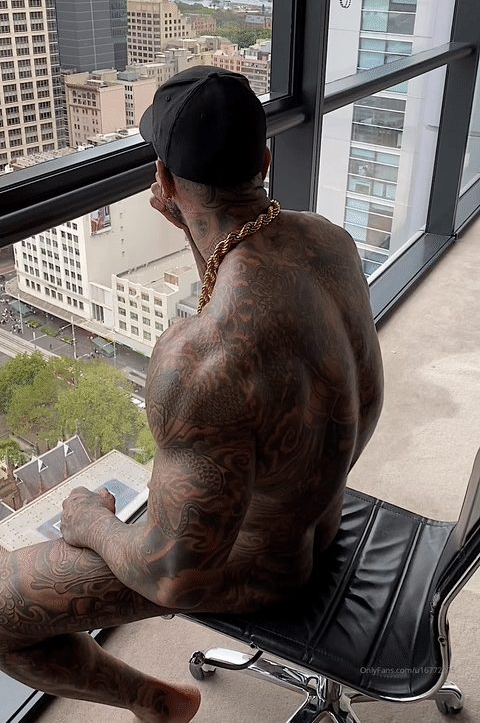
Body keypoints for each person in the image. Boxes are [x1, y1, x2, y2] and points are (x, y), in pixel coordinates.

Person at [0, 67, 383, 722]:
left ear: (165, 182)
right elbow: (251, 305)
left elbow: (172, 574)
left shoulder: (201, 361)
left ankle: (150, 702)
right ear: (265, 163)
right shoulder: (330, 241)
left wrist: (91, 521)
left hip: (263, 570)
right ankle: (159, 699)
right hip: (319, 516)